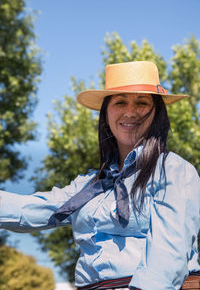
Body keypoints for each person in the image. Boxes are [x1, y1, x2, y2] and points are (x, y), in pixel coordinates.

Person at [0, 61, 199, 290]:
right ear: (106, 114)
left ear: (157, 114)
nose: (130, 111)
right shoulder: (89, 184)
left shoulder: (174, 171)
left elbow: (166, 262)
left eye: (142, 103)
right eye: (120, 102)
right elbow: (29, 209)